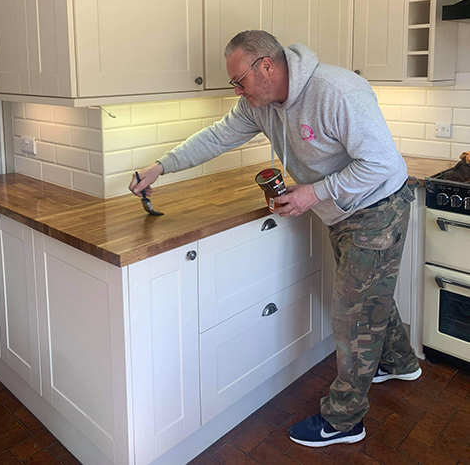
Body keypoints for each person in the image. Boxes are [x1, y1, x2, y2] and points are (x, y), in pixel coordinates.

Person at [128, 30, 421, 449]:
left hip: (378, 207)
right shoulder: (260, 104)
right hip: (341, 211)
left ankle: (344, 421)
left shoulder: (336, 91)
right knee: (368, 297)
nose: (237, 90)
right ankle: (400, 362)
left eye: (238, 80)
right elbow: (217, 136)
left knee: (352, 315)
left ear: (266, 66)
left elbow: (380, 163)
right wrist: (163, 166)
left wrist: (311, 193)